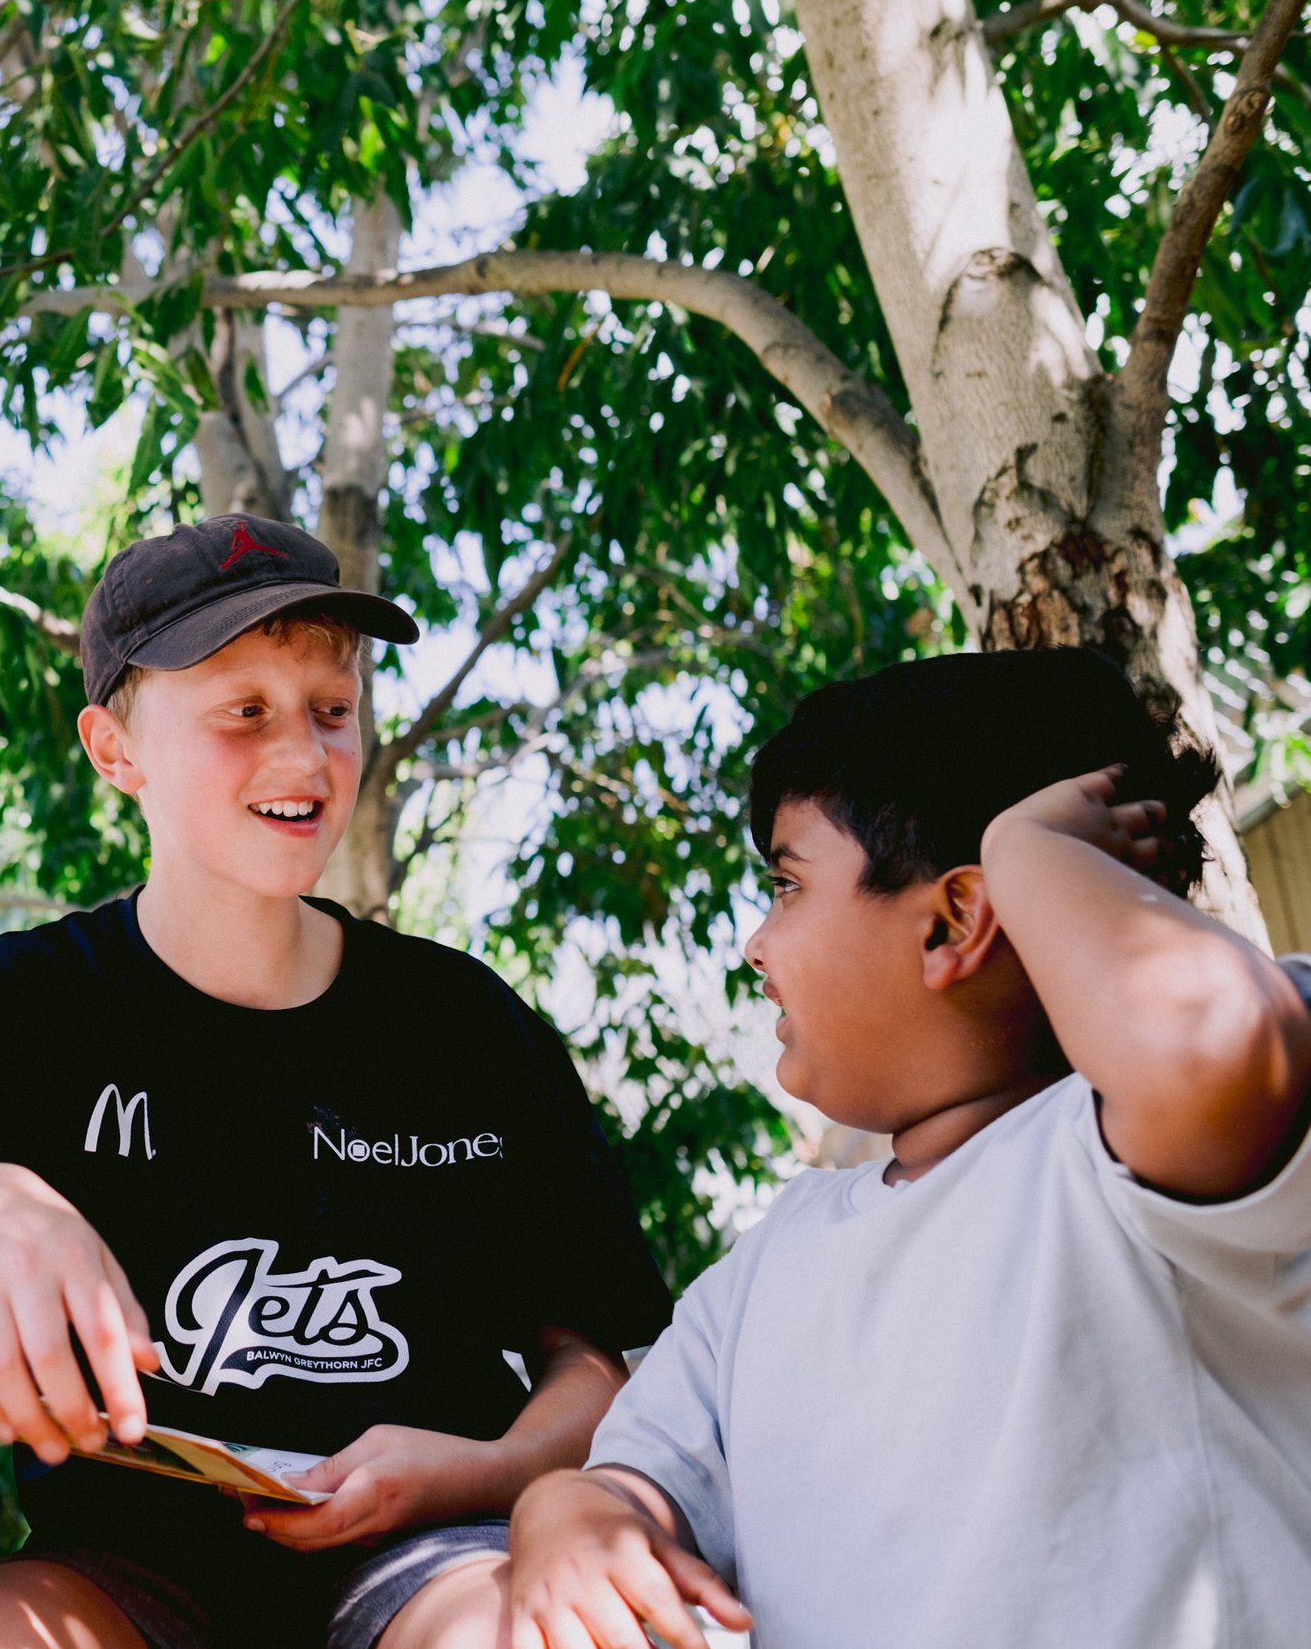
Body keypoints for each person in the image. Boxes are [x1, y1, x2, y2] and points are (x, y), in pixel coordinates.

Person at [0, 513, 675, 1649]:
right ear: (114, 750)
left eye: (331, 709)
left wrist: (473, 1469)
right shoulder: (24, 1002)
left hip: (431, 1556)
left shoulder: (464, 1025)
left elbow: (593, 1364)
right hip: (122, 1566)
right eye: (243, 712)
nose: (303, 757)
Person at [502, 648, 1311, 1649]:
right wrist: (570, 1512)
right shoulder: (766, 1266)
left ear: (955, 919)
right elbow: (638, 1474)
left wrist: (1030, 854)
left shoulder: (1122, 1167)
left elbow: (1209, 1043)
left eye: (787, 885)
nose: (755, 943)